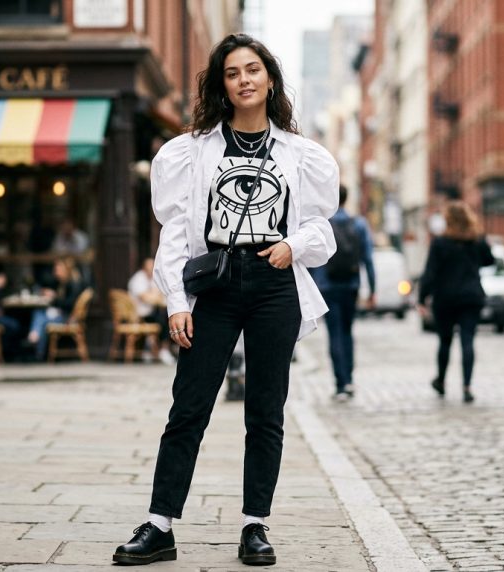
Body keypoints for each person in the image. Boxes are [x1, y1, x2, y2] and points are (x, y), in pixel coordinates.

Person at [112, 34, 339, 567]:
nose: (244, 80)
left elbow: (320, 228)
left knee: (265, 411)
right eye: (233, 72)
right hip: (213, 282)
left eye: (253, 69)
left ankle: (254, 526)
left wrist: (293, 245)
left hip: (273, 283)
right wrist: (176, 301)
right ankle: (160, 526)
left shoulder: (301, 155)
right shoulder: (192, 151)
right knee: (189, 406)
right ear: (222, 85)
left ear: (270, 79)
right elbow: (174, 231)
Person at [416, 201, 494, 404]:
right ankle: (467, 387)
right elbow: (490, 260)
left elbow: (430, 272)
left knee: (445, 341)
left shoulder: (440, 243)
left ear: (448, 220)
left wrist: (422, 298)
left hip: (446, 298)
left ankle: (441, 381)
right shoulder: (476, 240)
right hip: (471, 297)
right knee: (468, 341)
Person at [309, 184, 376, 401]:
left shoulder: (322, 224)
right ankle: (349, 380)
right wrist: (372, 289)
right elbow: (368, 259)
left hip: (327, 287)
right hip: (351, 285)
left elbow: (311, 259)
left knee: (334, 333)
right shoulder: (359, 224)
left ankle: (340, 383)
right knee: (347, 332)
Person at [26, 256, 87, 360]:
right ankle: (36, 344)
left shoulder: (73, 284)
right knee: (39, 313)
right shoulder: (62, 283)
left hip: (68, 318)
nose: (55, 272)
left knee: (43, 320)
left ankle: (37, 350)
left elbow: (69, 304)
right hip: (62, 314)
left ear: (65, 270)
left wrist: (54, 298)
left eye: (57, 269)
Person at [128, 257, 175, 365]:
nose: (152, 268)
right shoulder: (138, 279)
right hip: (139, 314)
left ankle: (157, 349)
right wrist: (154, 296)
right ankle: (162, 349)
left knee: (167, 315)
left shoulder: (153, 278)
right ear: (144, 267)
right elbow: (146, 298)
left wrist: (154, 296)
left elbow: (159, 294)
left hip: (151, 311)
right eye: (150, 266)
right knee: (163, 318)